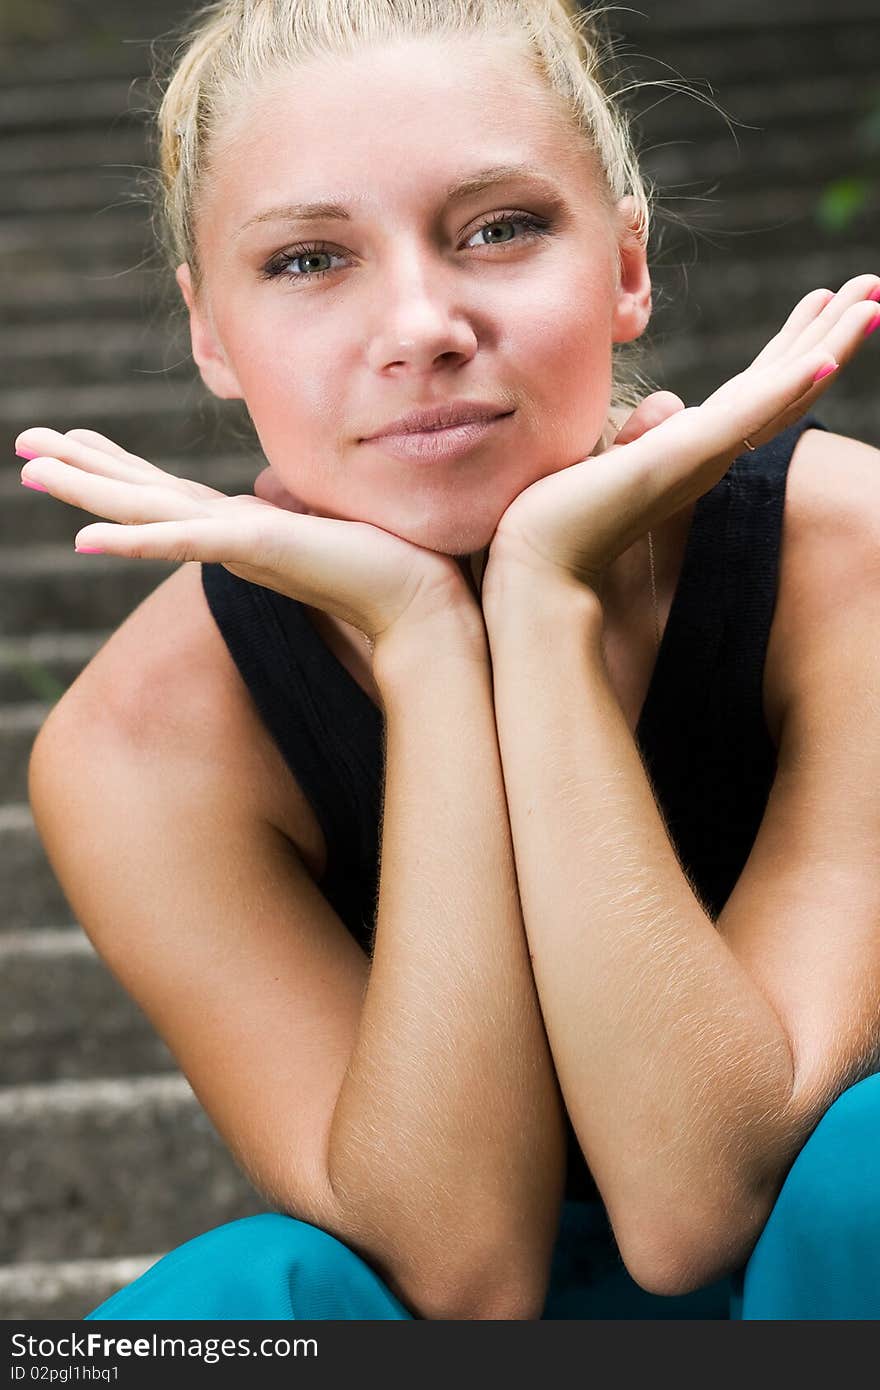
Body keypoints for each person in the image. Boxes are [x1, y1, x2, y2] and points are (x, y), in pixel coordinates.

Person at [19, 0, 880, 1320]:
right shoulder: (138, 742)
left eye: (500, 228)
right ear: (207, 333)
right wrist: (426, 645)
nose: (421, 323)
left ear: (628, 265)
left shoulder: (851, 558)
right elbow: (464, 1273)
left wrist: (541, 605)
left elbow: (701, 1199)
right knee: (213, 1313)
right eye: (310, 259)